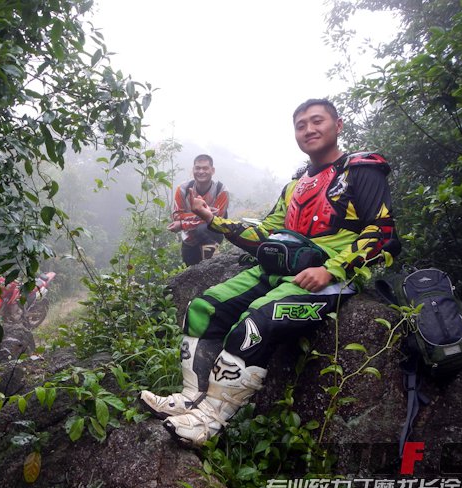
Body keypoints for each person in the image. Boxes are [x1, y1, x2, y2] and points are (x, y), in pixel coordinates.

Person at [141, 98, 400, 447]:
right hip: (278, 268)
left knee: (255, 323)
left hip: (325, 275)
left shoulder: (361, 170)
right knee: (203, 308)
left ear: (338, 125)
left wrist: (331, 269)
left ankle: (208, 421)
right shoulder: (297, 184)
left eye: (317, 121)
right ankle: (191, 398)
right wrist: (212, 219)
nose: (309, 129)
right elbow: (267, 234)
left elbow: (382, 233)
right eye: (301, 124)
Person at [168, 154, 229, 265]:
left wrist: (182, 224)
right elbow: (176, 216)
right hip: (189, 238)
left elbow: (216, 220)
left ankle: (212, 260)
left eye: (205, 168)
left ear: (212, 170)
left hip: (212, 235)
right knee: (190, 270)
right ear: (193, 170)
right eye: (198, 168)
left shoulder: (221, 190)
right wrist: (204, 213)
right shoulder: (183, 189)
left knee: (205, 228)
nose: (201, 171)